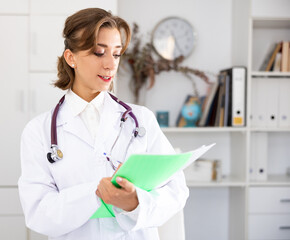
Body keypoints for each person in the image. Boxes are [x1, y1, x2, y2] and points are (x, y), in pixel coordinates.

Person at [18, 8, 189, 240]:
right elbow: (38, 213)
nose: (111, 64)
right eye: (99, 53)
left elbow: (176, 191)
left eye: (116, 54)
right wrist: (97, 193)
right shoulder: (38, 131)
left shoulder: (142, 120)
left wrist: (135, 203)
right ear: (71, 58)